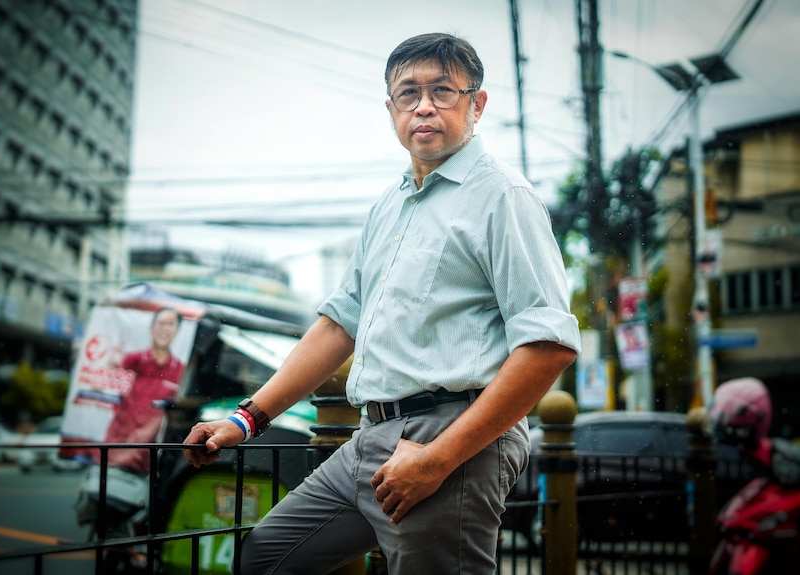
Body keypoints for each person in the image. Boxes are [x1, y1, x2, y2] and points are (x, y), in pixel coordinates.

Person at [184, 32, 581, 574]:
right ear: (390, 108)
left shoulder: (503, 196)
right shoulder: (390, 206)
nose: (423, 105)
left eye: (443, 90)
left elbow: (548, 346)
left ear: (477, 103)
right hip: (369, 437)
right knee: (265, 559)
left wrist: (439, 457)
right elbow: (337, 325)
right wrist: (247, 418)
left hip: (452, 440)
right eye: (407, 93)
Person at [102, 306, 185, 473]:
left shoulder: (181, 371)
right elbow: (103, 386)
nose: (165, 329)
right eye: (161, 323)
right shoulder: (132, 359)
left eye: (170, 324)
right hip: (117, 446)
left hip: (149, 455)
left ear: (177, 331)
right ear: (151, 328)